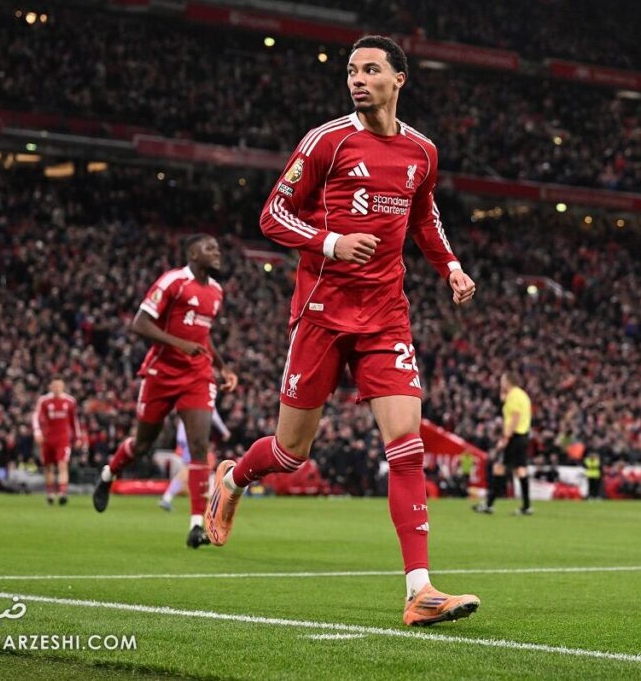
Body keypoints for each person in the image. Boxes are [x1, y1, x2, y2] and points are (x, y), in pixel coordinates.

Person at [205, 35, 479, 626]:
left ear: (399, 78)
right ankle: (234, 476)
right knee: (290, 453)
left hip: (386, 315)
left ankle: (420, 590)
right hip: (323, 313)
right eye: (352, 70)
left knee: (406, 446)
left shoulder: (422, 152)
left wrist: (451, 267)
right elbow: (272, 213)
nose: (357, 79)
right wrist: (330, 242)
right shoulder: (326, 141)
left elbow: (425, 216)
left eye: (371, 69)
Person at [93, 235, 239, 549]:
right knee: (143, 444)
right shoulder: (174, 281)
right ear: (192, 253)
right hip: (161, 373)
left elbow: (203, 336)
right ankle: (108, 474)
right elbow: (139, 323)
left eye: (217, 248)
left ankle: (197, 525)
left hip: (197, 375)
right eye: (209, 248)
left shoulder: (216, 291)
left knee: (199, 446)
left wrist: (223, 367)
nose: (216, 252)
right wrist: (179, 344)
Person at [474, 373, 533, 515]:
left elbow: (515, 417)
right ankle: (526, 506)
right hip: (523, 435)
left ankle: (489, 504)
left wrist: (506, 437)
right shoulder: (522, 395)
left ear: (508, 382)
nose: (501, 383)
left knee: (499, 467)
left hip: (514, 436)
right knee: (520, 469)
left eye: (502, 381)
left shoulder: (513, 396)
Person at [159, 411, 230, 512]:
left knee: (191, 469)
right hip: (192, 438)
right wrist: (224, 431)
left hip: (185, 437)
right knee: (195, 468)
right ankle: (211, 498)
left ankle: (168, 497)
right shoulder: (204, 401)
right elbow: (214, 415)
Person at [33, 378, 81, 505]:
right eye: (54, 385)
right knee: (48, 466)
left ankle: (62, 493)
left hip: (63, 439)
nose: (57, 388)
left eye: (59, 385)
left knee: (62, 465)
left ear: (63, 386)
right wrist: (37, 432)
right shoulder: (44, 401)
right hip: (47, 439)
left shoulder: (70, 401)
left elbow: (74, 421)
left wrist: (78, 437)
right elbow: (36, 417)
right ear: (50, 386)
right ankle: (50, 493)